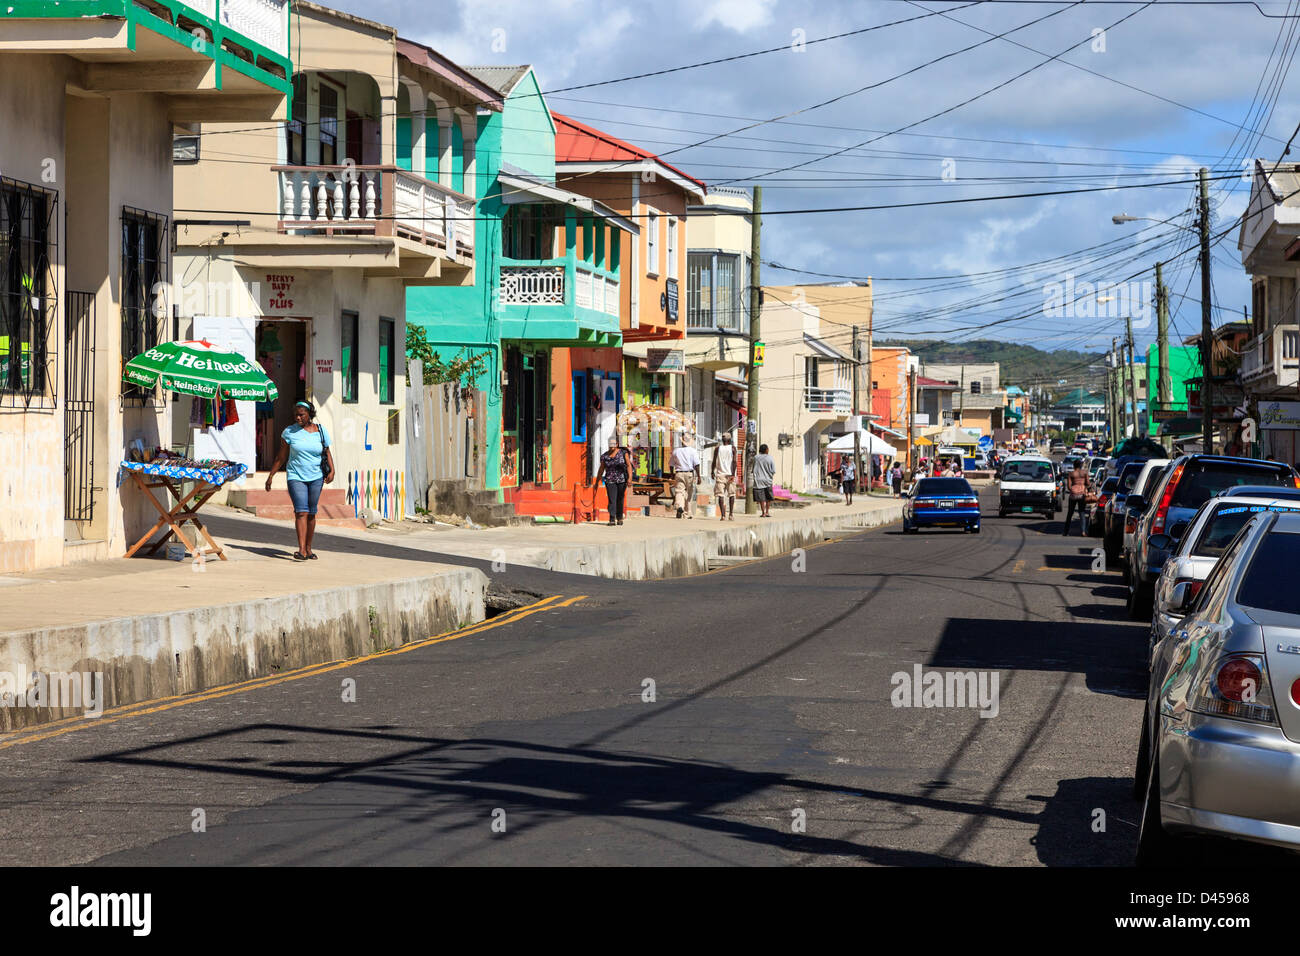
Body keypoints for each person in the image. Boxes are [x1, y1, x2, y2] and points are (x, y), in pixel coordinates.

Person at [265, 400, 335, 560]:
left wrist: (332, 470)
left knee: (311, 513)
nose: (298, 418)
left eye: (301, 414)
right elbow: (281, 456)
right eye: (296, 415)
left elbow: (327, 451)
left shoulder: (321, 431)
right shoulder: (289, 432)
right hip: (296, 476)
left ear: (310, 414)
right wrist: (271, 475)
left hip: (316, 476)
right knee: (301, 511)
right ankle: (302, 549)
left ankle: (309, 549)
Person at [593, 434, 632, 526]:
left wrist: (630, 478)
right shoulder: (605, 456)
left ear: (617, 444)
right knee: (612, 499)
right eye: (610, 444)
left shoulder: (623, 453)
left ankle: (619, 518)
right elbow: (601, 469)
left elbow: (629, 465)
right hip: (610, 480)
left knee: (620, 499)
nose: (612, 445)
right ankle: (611, 518)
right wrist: (597, 481)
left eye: (613, 444)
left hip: (622, 480)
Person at [669, 433, 702, 519]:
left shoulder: (676, 451)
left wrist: (672, 475)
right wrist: (699, 476)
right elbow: (697, 465)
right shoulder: (693, 451)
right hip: (689, 474)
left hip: (679, 473)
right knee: (688, 494)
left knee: (679, 491)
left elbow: (671, 464)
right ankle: (687, 513)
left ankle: (680, 506)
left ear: (682, 442)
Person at [1062, 459, 1093, 537]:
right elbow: (1088, 484)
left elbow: (1069, 487)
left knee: (1070, 513)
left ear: (1074, 465)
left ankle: (1066, 532)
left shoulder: (1071, 473)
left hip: (1073, 495)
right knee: (1082, 513)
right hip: (1082, 495)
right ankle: (1083, 531)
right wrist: (1084, 487)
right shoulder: (1084, 473)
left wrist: (1073, 489)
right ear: (1081, 465)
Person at [712, 431, 738, 521]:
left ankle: (723, 515)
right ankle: (731, 514)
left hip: (720, 474)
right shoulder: (733, 448)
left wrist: (712, 471)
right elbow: (734, 462)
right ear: (730, 439)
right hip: (730, 474)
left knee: (720, 495)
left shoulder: (717, 449)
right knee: (732, 495)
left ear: (722, 440)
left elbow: (714, 461)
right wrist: (733, 474)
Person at [752, 443, 777, 517]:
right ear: (766, 450)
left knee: (761, 498)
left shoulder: (756, 457)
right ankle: (767, 512)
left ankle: (763, 513)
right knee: (768, 497)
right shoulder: (770, 458)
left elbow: (753, 468)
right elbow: (773, 470)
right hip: (767, 480)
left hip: (758, 480)